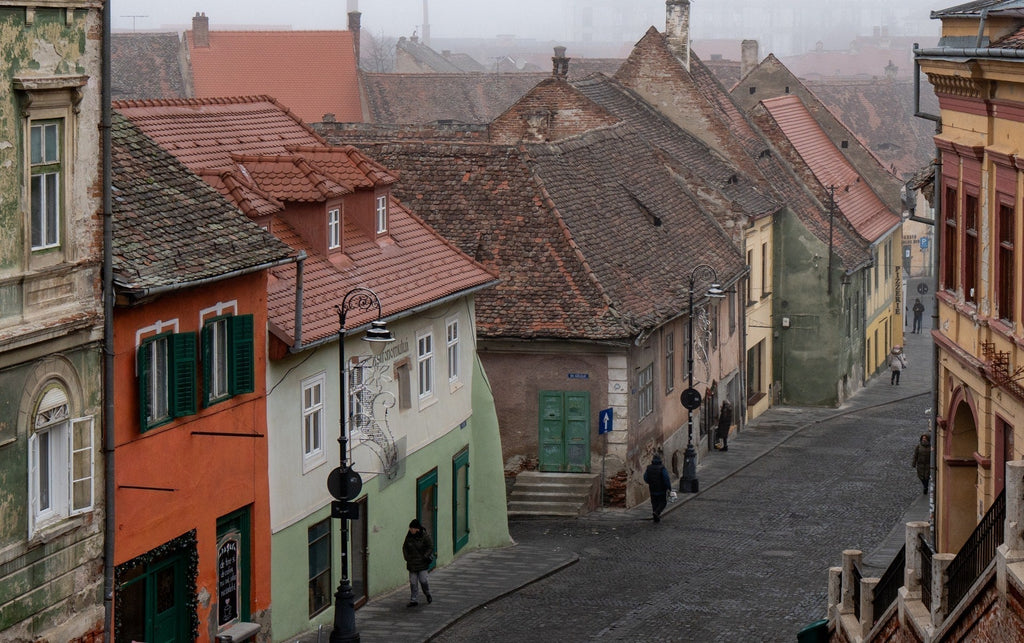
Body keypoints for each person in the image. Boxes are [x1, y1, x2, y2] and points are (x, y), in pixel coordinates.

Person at [402, 519, 434, 607]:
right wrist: (407, 558)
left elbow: (430, 547)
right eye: (410, 528)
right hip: (412, 563)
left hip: (422, 563)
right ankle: (413, 600)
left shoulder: (424, 536)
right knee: (413, 582)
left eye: (412, 528)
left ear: (417, 529)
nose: (410, 530)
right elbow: (404, 547)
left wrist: (425, 556)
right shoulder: (409, 536)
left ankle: (427, 593)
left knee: (423, 581)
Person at [643, 454, 671, 523]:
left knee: (654, 503)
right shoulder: (662, 468)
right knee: (663, 502)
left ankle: (655, 517)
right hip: (661, 489)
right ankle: (657, 512)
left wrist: (650, 482)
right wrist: (669, 487)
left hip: (652, 489)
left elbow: (645, 477)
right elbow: (666, 478)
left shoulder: (649, 468)